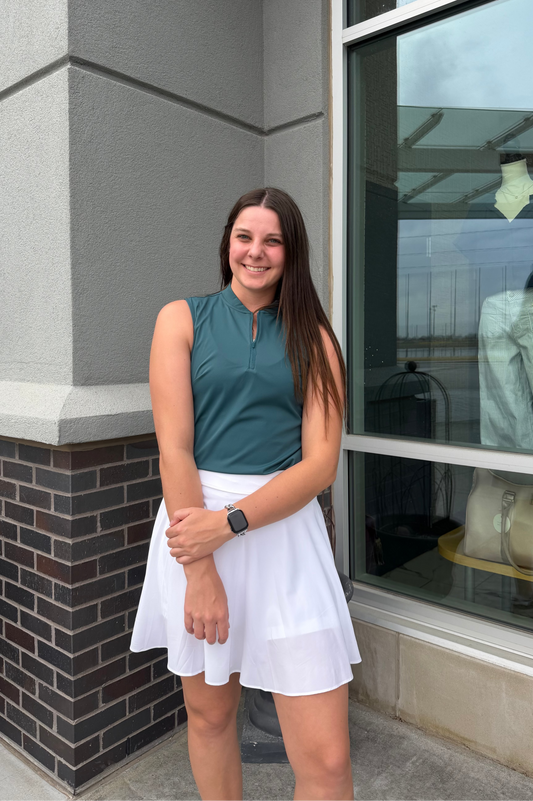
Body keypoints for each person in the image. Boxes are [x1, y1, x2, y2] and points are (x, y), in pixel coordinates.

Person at [130, 187, 361, 801]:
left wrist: (226, 524)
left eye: (272, 240)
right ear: (227, 243)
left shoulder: (314, 337)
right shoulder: (181, 318)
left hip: (283, 537)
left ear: (292, 252)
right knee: (209, 718)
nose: (255, 252)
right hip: (193, 534)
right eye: (244, 237)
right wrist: (200, 566)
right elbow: (175, 449)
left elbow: (320, 467)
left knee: (329, 760)